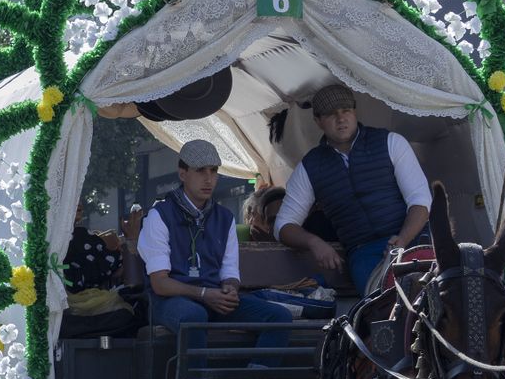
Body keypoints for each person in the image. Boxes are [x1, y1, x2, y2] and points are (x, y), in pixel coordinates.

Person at [137, 139, 290, 358]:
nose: (209, 179)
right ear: (182, 173)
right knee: (193, 316)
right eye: (200, 171)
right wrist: (203, 294)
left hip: (212, 297)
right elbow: (160, 284)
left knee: (279, 317)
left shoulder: (225, 218)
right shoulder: (159, 216)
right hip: (169, 302)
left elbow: (229, 271)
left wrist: (229, 289)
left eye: (214, 171)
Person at [274, 83, 432, 293]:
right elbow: (283, 225)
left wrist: (402, 239)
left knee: (438, 305)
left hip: (412, 241)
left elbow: (421, 200)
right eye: (331, 114)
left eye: (346, 110)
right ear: (318, 121)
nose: (341, 119)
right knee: (379, 312)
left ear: (355, 112)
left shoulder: (390, 142)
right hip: (364, 252)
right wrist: (314, 242)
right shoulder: (310, 167)